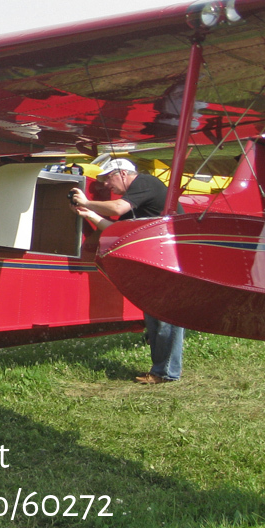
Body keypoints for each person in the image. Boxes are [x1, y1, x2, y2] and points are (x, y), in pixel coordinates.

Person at [69, 158, 185, 385]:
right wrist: (87, 213)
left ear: (122, 173)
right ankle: (162, 370)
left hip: (170, 259)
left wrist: (88, 202)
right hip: (157, 259)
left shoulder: (145, 182)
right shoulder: (135, 200)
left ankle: (167, 373)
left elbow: (118, 208)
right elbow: (116, 229)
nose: (107, 186)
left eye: (108, 178)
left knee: (165, 317)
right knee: (154, 315)